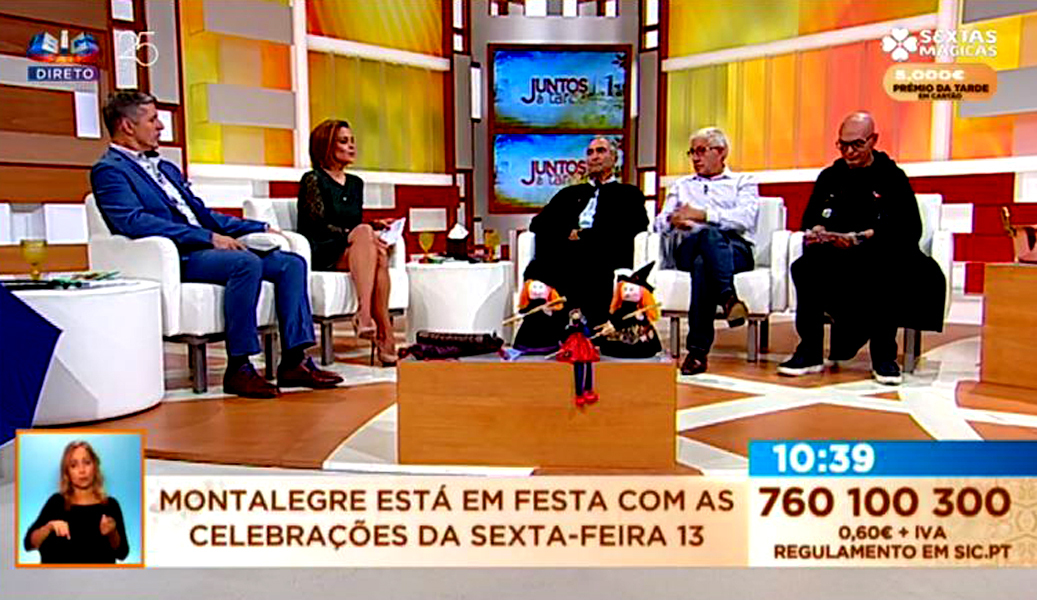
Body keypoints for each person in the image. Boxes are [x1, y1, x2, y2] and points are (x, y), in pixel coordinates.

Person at [91, 91, 342, 398]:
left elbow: (203, 215)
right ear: (127, 126)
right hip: (177, 256)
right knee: (245, 263)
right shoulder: (110, 170)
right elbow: (133, 221)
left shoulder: (166, 168)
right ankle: (239, 367)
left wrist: (258, 227)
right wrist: (207, 238)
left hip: (206, 249)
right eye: (153, 119)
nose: (160, 126)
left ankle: (293, 361)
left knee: (291, 263)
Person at [778, 111, 946, 385]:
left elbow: (909, 228)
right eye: (843, 145)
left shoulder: (892, 177)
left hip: (880, 252)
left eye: (857, 144)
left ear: (873, 140)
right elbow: (809, 219)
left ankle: (884, 357)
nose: (849, 152)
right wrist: (817, 230)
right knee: (804, 268)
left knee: (885, 269)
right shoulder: (830, 176)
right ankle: (809, 351)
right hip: (835, 253)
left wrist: (863, 237)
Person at [655, 127, 758, 375]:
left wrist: (704, 215)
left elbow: (745, 219)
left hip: (734, 248)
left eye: (701, 151)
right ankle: (728, 298)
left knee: (704, 263)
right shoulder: (682, 185)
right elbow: (658, 223)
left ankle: (698, 352)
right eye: (692, 152)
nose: (695, 158)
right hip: (689, 246)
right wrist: (672, 221)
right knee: (705, 237)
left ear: (721, 152)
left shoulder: (743, 182)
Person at [297, 120, 397, 365]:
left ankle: (377, 327)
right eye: (344, 141)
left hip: (350, 248)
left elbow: (355, 222)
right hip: (322, 247)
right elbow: (316, 224)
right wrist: (355, 233)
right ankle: (374, 323)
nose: (351, 146)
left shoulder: (355, 183)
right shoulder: (312, 179)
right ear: (326, 146)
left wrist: (374, 226)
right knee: (368, 241)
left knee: (379, 254)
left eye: (352, 141)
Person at [524, 137, 648, 327]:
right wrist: (566, 233)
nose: (594, 157)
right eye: (590, 153)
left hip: (604, 255)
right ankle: (545, 329)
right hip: (566, 252)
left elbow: (634, 227)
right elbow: (539, 224)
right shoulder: (569, 194)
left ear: (614, 159)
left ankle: (589, 327)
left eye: (601, 151)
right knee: (544, 263)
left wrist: (584, 236)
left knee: (588, 263)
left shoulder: (628, 194)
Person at [23, 441, 129, 564]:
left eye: (87, 463)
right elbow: (29, 544)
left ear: (95, 466)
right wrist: (49, 527)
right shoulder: (56, 502)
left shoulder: (110, 505)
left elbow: (122, 553)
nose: (82, 470)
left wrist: (112, 533)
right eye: (74, 465)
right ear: (67, 472)